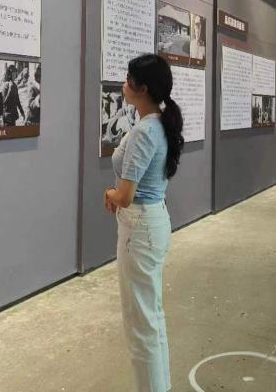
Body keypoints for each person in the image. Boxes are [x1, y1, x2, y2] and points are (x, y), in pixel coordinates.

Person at [104, 54, 184, 392]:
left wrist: (109, 193)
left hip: (139, 228)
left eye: (128, 79)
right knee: (151, 318)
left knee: (141, 325)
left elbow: (125, 194)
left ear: (142, 88)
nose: (124, 84)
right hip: (151, 222)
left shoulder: (145, 131)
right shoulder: (157, 124)